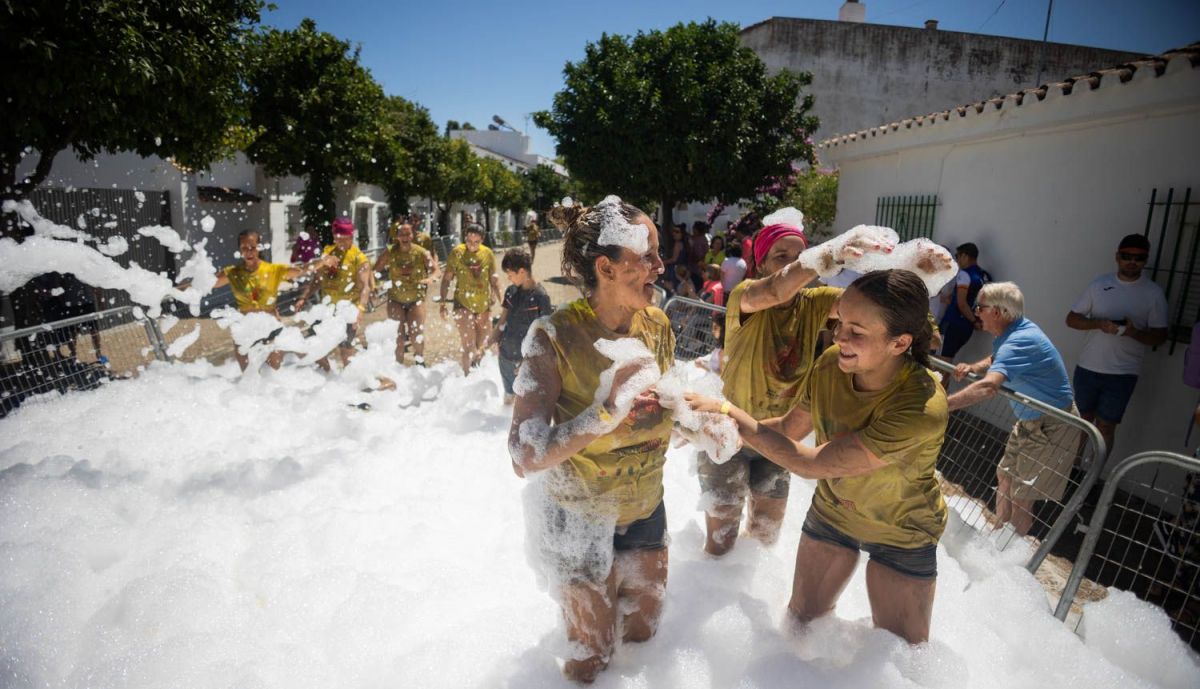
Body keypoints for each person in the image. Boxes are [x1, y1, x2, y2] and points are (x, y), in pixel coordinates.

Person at [686, 269, 949, 644]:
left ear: (900, 343)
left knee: (898, 655)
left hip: (901, 531)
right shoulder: (830, 365)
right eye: (840, 323)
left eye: (857, 331)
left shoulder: (921, 408)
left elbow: (810, 464)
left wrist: (728, 413)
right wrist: (715, 429)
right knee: (800, 629)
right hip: (833, 513)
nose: (840, 336)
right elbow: (789, 429)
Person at [507, 196, 682, 683]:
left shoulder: (657, 324)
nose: (660, 265)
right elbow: (524, 455)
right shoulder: (552, 337)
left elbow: (664, 403)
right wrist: (604, 411)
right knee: (591, 658)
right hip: (576, 517)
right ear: (606, 267)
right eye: (647, 255)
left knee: (643, 640)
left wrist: (698, 420)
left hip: (645, 508)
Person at [698, 214, 898, 556]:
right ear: (760, 263)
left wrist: (910, 271)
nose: (793, 264)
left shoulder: (815, 302)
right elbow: (777, 289)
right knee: (721, 545)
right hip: (728, 432)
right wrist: (828, 253)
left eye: (800, 256)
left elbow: (866, 306)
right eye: (782, 257)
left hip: (779, 437)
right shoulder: (744, 296)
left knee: (764, 540)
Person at [947, 282, 1079, 537]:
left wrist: (944, 406)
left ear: (996, 312)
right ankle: (996, 539)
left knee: (1022, 496)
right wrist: (975, 367)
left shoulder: (1020, 340)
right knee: (1005, 478)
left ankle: (1009, 552)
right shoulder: (1010, 333)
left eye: (979, 307)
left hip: (1051, 424)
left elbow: (989, 387)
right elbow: (997, 359)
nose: (976, 312)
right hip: (1032, 420)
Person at [1065, 234, 1168, 455]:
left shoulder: (1153, 293)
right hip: (1088, 367)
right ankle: (1072, 469)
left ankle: (1094, 472)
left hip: (1123, 374)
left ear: (1146, 260)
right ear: (1117, 257)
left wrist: (1133, 332)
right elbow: (1071, 319)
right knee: (1082, 421)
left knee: (1106, 427)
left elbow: (1160, 337)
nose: (1132, 261)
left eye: (1139, 258)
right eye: (1127, 256)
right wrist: (1098, 324)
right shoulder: (1099, 285)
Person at [196, 229, 324, 371]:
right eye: (244, 248)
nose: (249, 252)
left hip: (271, 330)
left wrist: (324, 261)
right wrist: (176, 290)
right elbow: (205, 282)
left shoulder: (273, 270)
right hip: (245, 333)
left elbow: (302, 269)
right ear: (240, 249)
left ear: (259, 247)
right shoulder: (232, 272)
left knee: (272, 377)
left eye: (252, 247)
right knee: (249, 379)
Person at [296, 217, 372, 371]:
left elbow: (365, 287)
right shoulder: (328, 252)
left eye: (344, 239)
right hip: (327, 309)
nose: (340, 242)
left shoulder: (359, 258)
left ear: (351, 237)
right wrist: (304, 297)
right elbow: (317, 280)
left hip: (348, 311)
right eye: (337, 238)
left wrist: (361, 310)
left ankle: (352, 379)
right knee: (313, 345)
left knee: (345, 350)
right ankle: (328, 375)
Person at [486, 249, 553, 404]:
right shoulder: (511, 292)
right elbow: (503, 320)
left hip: (526, 362)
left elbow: (544, 336)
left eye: (510, 274)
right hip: (505, 357)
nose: (508, 278)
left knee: (526, 403)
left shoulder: (541, 297)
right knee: (508, 400)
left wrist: (529, 363)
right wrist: (492, 338)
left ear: (522, 271)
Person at [374, 222, 439, 365]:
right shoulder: (390, 251)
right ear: (397, 236)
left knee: (416, 334)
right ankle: (398, 367)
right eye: (401, 234)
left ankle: (420, 361)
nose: (404, 237)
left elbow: (436, 270)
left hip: (416, 299)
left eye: (407, 234)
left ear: (412, 235)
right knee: (398, 337)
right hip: (395, 299)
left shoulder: (421, 252)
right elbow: (375, 269)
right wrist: (374, 284)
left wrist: (431, 278)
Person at [440, 223, 501, 374]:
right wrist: (442, 303)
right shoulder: (457, 253)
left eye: (476, 242)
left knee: (483, 346)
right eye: (469, 241)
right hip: (462, 304)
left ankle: (477, 377)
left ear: (482, 240)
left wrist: (502, 302)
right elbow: (446, 279)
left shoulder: (487, 253)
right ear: (465, 238)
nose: (472, 245)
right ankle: (467, 379)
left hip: (483, 306)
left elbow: (494, 279)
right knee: (469, 346)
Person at [938, 242, 990, 359]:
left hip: (953, 323)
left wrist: (974, 321)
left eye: (957, 256)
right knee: (947, 358)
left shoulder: (964, 274)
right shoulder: (982, 275)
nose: (957, 261)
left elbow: (961, 303)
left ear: (965, 256)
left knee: (940, 361)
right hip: (967, 327)